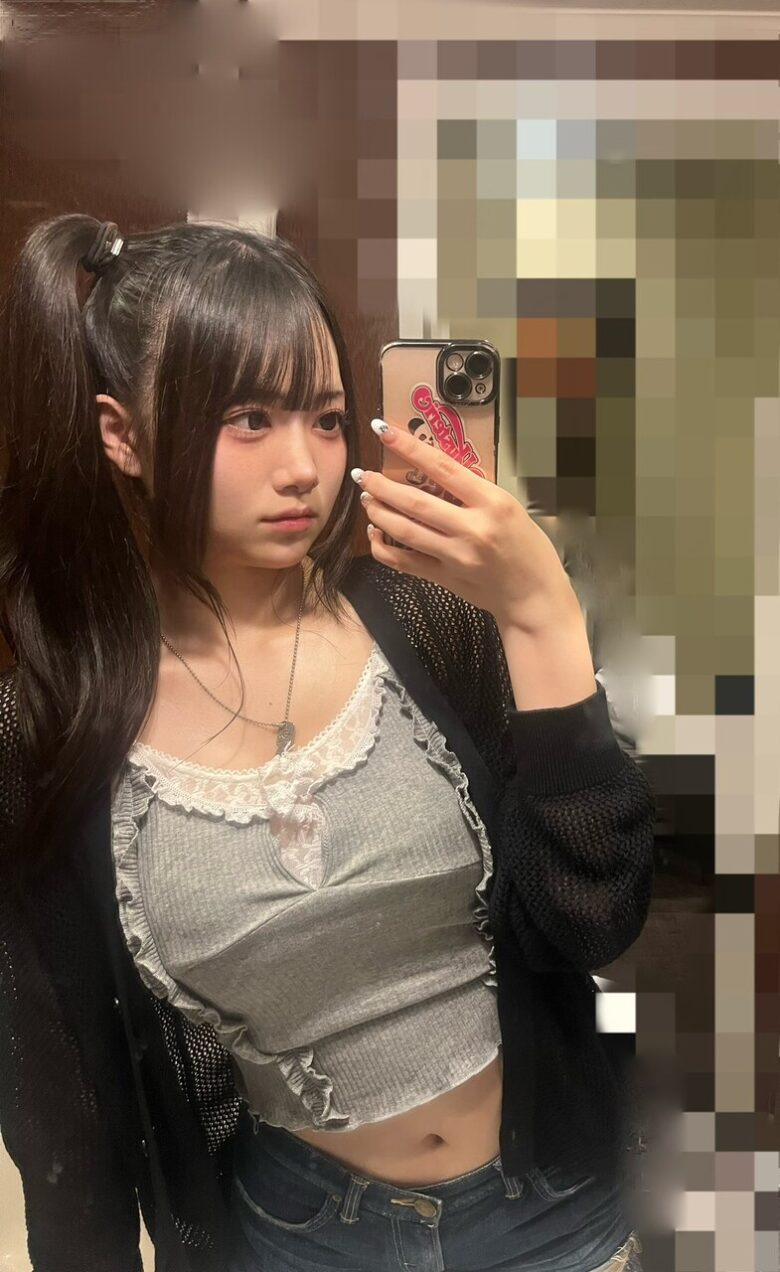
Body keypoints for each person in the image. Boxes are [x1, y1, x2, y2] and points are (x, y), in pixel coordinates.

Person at [0, 215, 655, 1272]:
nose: (303, 467)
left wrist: (541, 617)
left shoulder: (431, 619)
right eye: (248, 419)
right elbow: (65, 1098)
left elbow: (594, 922)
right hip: (305, 1234)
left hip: (558, 1205)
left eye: (328, 418)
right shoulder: (48, 730)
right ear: (122, 434)